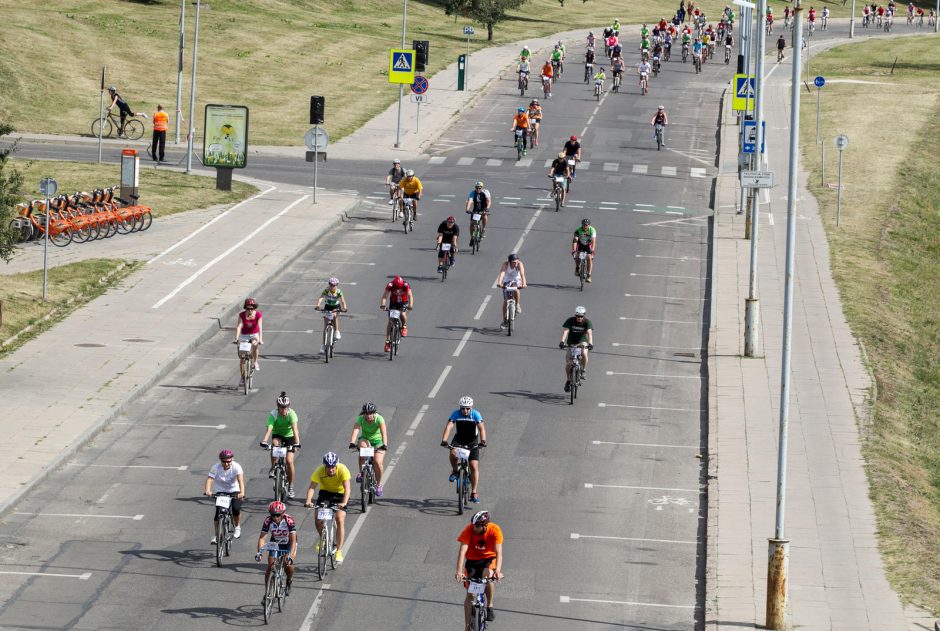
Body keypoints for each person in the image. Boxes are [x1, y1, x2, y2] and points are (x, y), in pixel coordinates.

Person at [456, 511, 504, 625]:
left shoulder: (495, 530)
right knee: (469, 595)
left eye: (477, 526)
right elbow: (462, 551)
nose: (474, 528)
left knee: (487, 576)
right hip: (472, 561)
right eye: (473, 525)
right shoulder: (469, 529)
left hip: (489, 559)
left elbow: (499, 553)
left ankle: (490, 605)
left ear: (485, 526)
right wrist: (459, 572)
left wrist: (497, 571)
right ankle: (467, 627)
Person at [303, 452, 351, 563]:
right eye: (328, 467)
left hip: (340, 494)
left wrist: (344, 502)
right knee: (318, 519)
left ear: (336, 465)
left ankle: (339, 551)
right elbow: (312, 487)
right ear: (325, 466)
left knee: (339, 519)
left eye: (333, 467)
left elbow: (347, 488)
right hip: (325, 494)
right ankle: (323, 539)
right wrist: (308, 501)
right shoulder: (319, 471)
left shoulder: (343, 470)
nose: (331, 470)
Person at [441, 396, 487, 504]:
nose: (465, 411)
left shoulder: (476, 414)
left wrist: (483, 441)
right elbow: (449, 426)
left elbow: (481, 428)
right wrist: (444, 440)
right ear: (460, 408)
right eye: (463, 408)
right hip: (459, 439)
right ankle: (455, 471)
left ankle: (474, 492)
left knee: (473, 465)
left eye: (467, 408)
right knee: (452, 452)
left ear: (471, 408)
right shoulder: (456, 414)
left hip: (472, 441)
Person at [260, 392, 302, 498]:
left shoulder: (292, 414)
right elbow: (269, 428)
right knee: (274, 445)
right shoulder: (273, 414)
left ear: (288, 407)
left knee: (289, 461)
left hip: (290, 437)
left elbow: (295, 430)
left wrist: (297, 443)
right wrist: (264, 441)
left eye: (286, 408)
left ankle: (291, 486)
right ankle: (274, 466)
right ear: (278, 407)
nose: (284, 410)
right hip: (278, 435)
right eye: (281, 408)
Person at [255, 501, 298, 595]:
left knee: (288, 565)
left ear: (282, 514)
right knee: (270, 567)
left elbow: (293, 541)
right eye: (273, 515)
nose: (275, 518)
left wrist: (290, 556)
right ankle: (267, 593)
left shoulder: (289, 521)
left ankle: (289, 580)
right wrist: (259, 552)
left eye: (278, 515)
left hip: (288, 543)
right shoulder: (268, 521)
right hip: (275, 542)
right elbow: (262, 538)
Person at [205, 449, 245, 544]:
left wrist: (242, 492)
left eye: (228, 461)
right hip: (221, 492)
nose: (226, 464)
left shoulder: (236, 467)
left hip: (234, 491)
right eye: (224, 461)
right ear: (220, 460)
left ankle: (237, 526)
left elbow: (240, 481)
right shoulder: (215, 467)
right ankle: (216, 535)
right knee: (218, 513)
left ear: (232, 459)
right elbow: (210, 479)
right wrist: (208, 490)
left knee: (236, 509)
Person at [348, 402, 388, 497]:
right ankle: (361, 472)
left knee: (377, 462)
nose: (369, 415)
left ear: (374, 413)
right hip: (365, 439)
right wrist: (352, 442)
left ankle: (378, 485)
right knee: (362, 449)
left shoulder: (379, 419)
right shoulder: (361, 419)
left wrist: (384, 444)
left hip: (378, 442)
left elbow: (383, 432)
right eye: (366, 413)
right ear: (364, 414)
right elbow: (356, 430)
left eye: (371, 413)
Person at [559, 306, 594, 392]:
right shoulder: (570, 320)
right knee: (568, 364)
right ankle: (568, 381)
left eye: (581, 316)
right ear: (575, 315)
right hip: (571, 343)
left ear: (584, 316)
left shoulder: (587, 322)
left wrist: (590, 343)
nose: (579, 318)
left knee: (584, 353)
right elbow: (566, 331)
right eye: (578, 316)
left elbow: (589, 333)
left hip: (582, 342)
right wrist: (562, 342)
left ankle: (583, 370)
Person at [381, 275, 414, 352]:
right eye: (397, 288)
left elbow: (410, 296)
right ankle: (387, 342)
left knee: (402, 314)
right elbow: (385, 296)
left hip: (403, 302)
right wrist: (383, 305)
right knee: (390, 321)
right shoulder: (390, 285)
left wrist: (410, 306)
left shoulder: (406, 285)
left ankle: (404, 326)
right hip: (394, 303)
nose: (398, 290)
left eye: (400, 288)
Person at [315, 277, 347, 354]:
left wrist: (344, 308)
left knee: (334, 315)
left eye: (334, 285)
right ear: (329, 285)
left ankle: (336, 331)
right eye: (331, 285)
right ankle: (323, 345)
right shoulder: (326, 290)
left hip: (336, 306)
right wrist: (318, 305)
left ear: (336, 285)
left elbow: (342, 301)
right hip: (328, 305)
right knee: (325, 325)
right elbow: (321, 297)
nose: (332, 287)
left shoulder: (339, 291)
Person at [235, 297, 263, 384]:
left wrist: (260, 339)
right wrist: (236, 338)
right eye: (248, 308)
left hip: (254, 334)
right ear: (245, 308)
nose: (250, 310)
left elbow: (260, 327)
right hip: (244, 335)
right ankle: (242, 377)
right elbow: (239, 326)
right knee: (243, 357)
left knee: (255, 345)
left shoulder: (258, 315)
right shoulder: (242, 315)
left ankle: (255, 362)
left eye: (252, 308)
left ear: (254, 307)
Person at [496, 253, 527, 327]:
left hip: (516, 280)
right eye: (513, 262)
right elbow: (502, 273)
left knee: (516, 289)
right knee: (506, 300)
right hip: (507, 280)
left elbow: (522, 275)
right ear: (509, 262)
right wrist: (499, 283)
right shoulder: (506, 264)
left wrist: (524, 284)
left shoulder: (519, 264)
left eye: (516, 261)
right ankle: (504, 320)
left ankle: (517, 305)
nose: (515, 263)